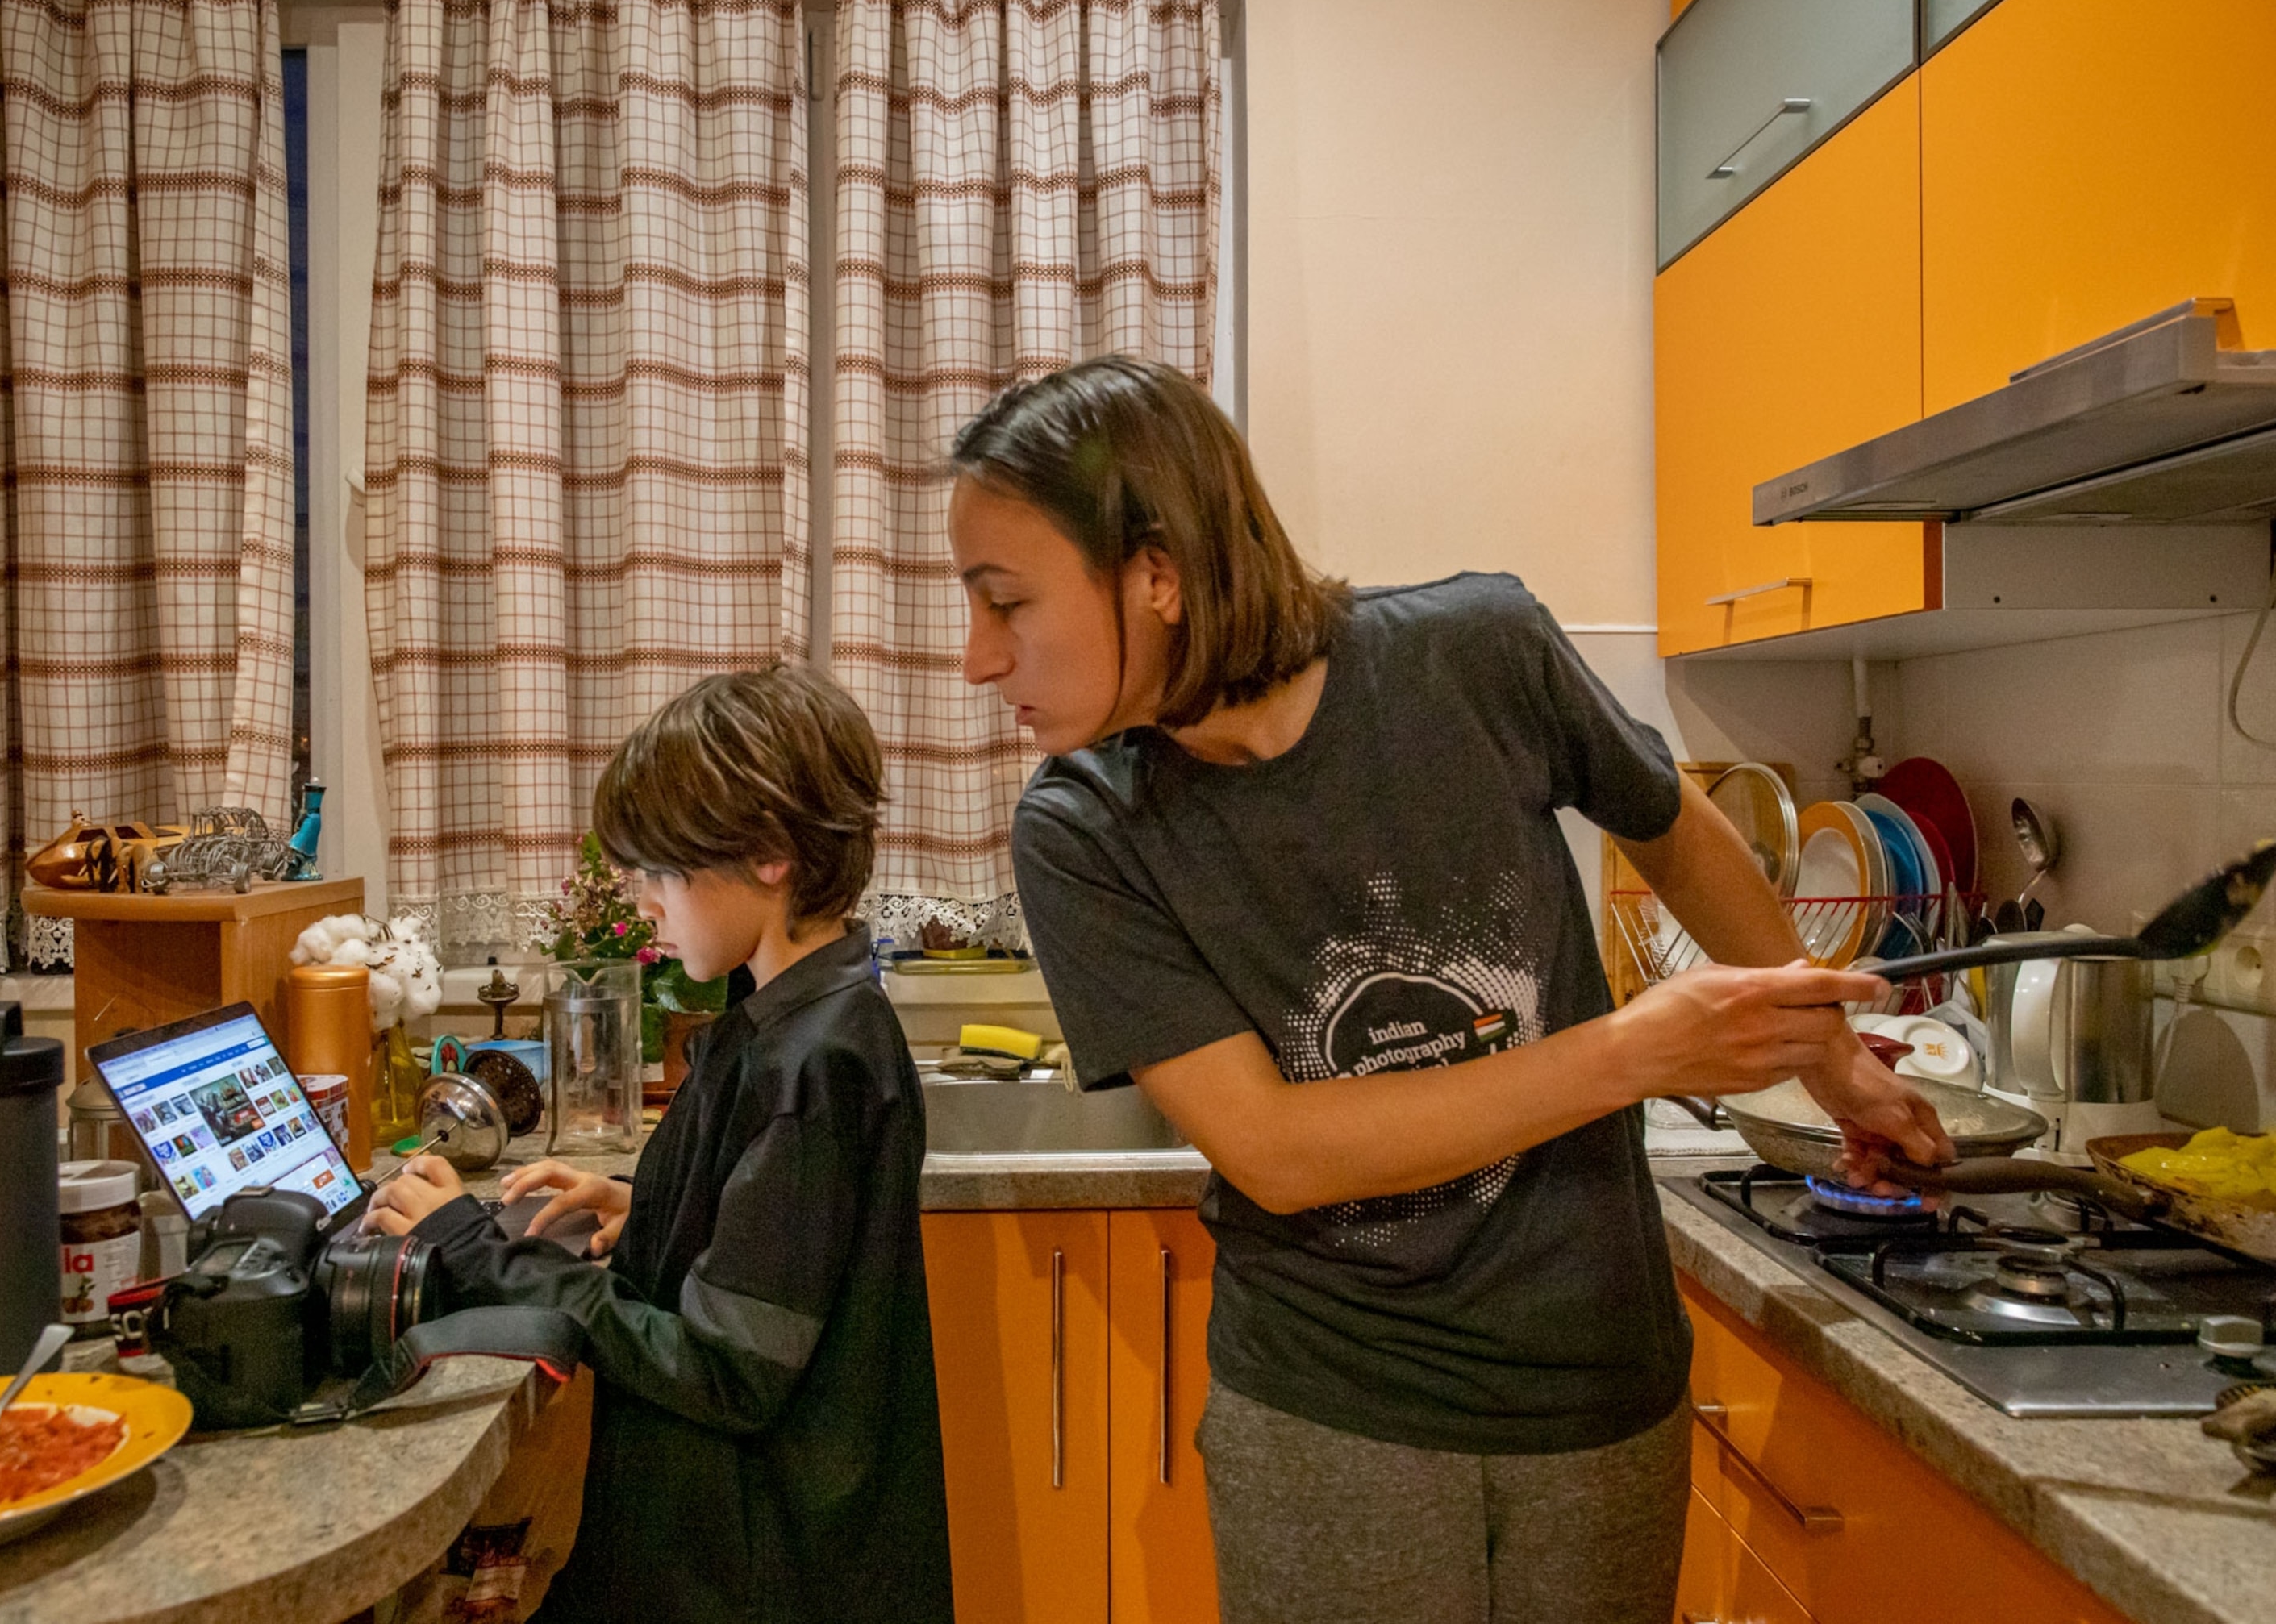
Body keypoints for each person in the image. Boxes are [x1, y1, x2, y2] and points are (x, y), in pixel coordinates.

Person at [944, 356, 1953, 1624]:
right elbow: (1279, 1152)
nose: (980, 658)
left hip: (1597, 1380)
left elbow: (1674, 830)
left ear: (1157, 574)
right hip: (1331, 1412)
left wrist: (1828, 1054)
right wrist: (1633, 1052)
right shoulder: (1087, 827)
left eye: (1006, 602)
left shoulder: (1475, 651)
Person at [367, 665, 953, 1624]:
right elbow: (788, 1244)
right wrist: (654, 1204)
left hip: (757, 1569)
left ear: (766, 854)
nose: (641, 899)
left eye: (659, 869)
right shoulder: (792, 1016)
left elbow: (724, 1366)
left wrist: (470, 1247)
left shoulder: (817, 1060)